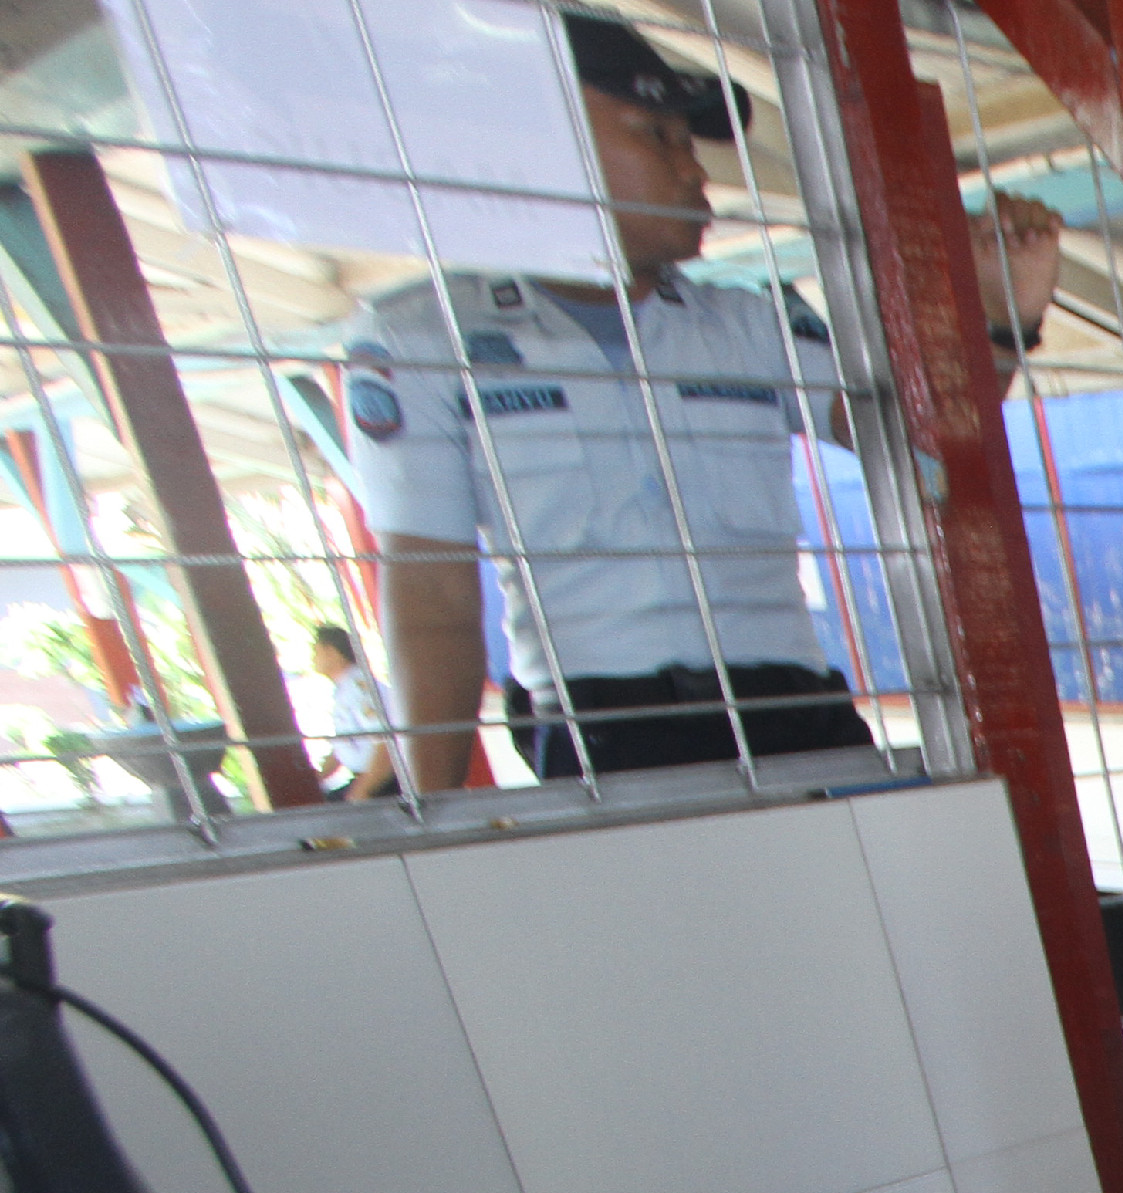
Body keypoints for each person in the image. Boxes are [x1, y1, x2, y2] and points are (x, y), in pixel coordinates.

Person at [342, 14, 1059, 793]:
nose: (697, 175)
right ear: (541, 148)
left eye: (691, 143)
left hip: (795, 719)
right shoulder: (422, 341)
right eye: (658, 137)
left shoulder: (752, 325)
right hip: (603, 732)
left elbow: (925, 449)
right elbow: (433, 600)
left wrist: (999, 322)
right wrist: (436, 816)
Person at [309, 623, 394, 800]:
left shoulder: (359, 688)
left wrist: (361, 792)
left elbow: (386, 745)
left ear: (331, 652)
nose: (313, 658)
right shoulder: (344, 690)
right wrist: (312, 782)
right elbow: (344, 748)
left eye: (316, 651)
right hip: (366, 778)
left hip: (383, 782)